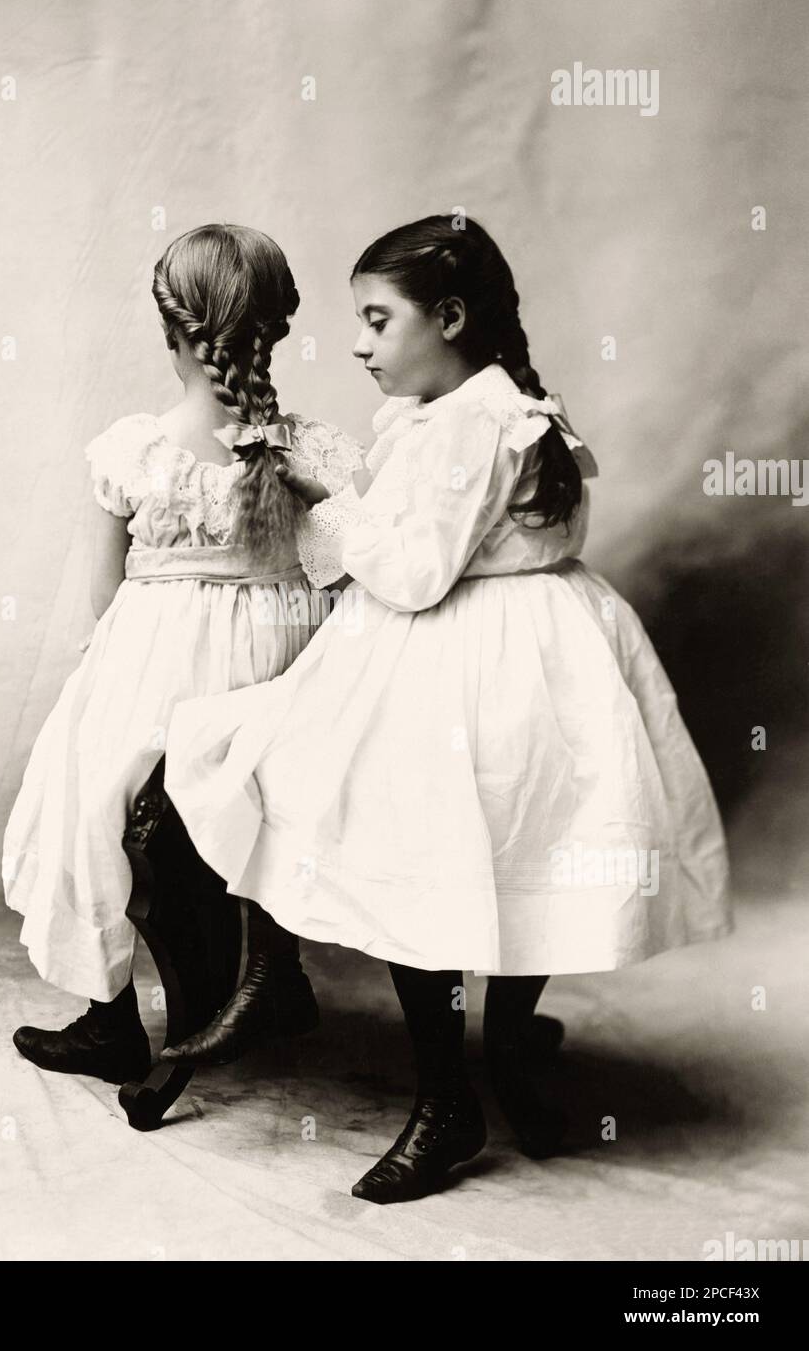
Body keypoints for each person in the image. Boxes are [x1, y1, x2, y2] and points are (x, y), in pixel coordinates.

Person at [162, 213, 733, 1203]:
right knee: (505, 851)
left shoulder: (478, 424)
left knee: (430, 852)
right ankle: (491, 1054)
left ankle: (453, 1093)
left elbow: (416, 569)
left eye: (378, 322)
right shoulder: (494, 406)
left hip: (479, 661)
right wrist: (341, 494)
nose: (357, 344)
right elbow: (414, 536)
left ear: (450, 318)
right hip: (530, 648)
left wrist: (316, 491)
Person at [2, 223, 363, 1085]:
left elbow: (102, 601)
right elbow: (349, 574)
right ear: (275, 329)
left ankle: (110, 1018)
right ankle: (272, 981)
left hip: (164, 676)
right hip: (291, 673)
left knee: (79, 796)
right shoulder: (319, 450)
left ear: (171, 334)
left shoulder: (134, 451)